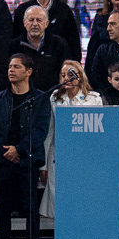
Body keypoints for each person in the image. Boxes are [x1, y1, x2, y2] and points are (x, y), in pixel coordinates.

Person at [0, 53, 51, 239]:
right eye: (10, 66)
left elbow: (40, 130)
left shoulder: (40, 98)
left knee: (30, 206)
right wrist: (6, 151)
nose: (11, 70)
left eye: (16, 67)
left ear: (28, 72)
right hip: (4, 159)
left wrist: (20, 149)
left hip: (27, 159)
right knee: (3, 206)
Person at [41, 60, 102, 226]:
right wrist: (43, 165)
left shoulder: (93, 99)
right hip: (59, 156)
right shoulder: (55, 97)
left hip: (85, 157)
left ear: (80, 77)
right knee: (60, 202)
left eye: (70, 74)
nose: (66, 78)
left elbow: (99, 134)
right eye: (63, 75)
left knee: (82, 200)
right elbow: (50, 131)